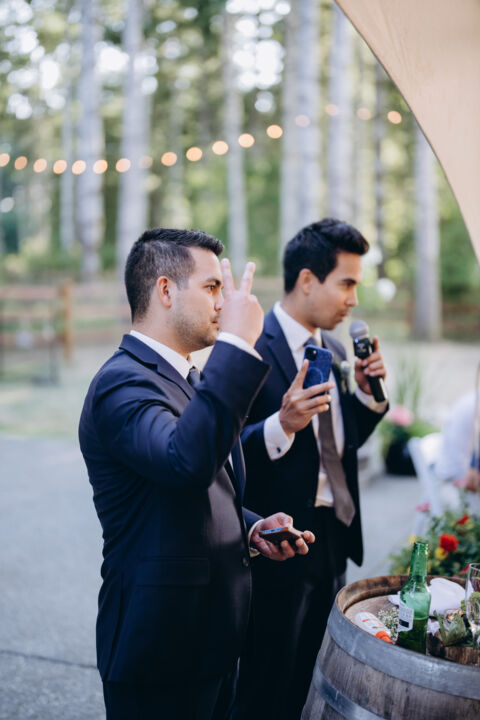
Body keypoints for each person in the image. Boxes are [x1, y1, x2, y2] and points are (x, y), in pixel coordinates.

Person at [78, 228, 315, 720]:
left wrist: (250, 526)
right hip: (160, 650)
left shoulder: (188, 377)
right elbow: (183, 462)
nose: (222, 303)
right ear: (165, 290)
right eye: (212, 288)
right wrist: (236, 342)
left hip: (212, 642)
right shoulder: (121, 383)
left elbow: (199, 482)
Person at [233, 218, 388, 720]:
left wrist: (367, 396)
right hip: (276, 542)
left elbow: (340, 442)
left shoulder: (336, 349)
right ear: (306, 280)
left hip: (333, 534)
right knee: (264, 679)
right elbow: (222, 453)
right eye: (346, 283)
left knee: (310, 672)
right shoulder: (250, 349)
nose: (353, 300)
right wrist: (280, 424)